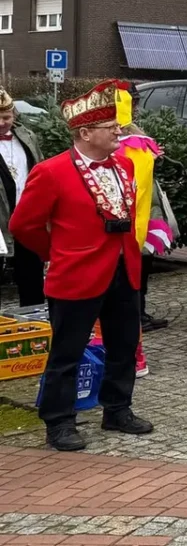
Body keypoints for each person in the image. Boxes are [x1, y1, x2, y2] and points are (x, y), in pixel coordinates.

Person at [10, 80, 153, 451]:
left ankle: (117, 408)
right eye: (110, 128)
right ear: (85, 132)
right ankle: (59, 421)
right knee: (67, 352)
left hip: (123, 268)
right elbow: (22, 224)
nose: (119, 131)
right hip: (76, 274)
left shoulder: (123, 165)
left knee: (123, 345)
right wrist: (55, 252)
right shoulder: (52, 171)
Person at [117, 123, 178, 359]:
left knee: (144, 265)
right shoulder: (120, 144)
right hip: (133, 216)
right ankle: (133, 314)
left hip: (148, 212)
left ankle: (139, 311)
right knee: (132, 268)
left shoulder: (135, 135)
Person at [0, 89, 46, 307]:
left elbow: (41, 170)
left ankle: (34, 327)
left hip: (27, 220)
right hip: (0, 221)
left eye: (6, 117)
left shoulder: (28, 136)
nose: (2, 123)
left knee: (31, 277)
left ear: (14, 116)